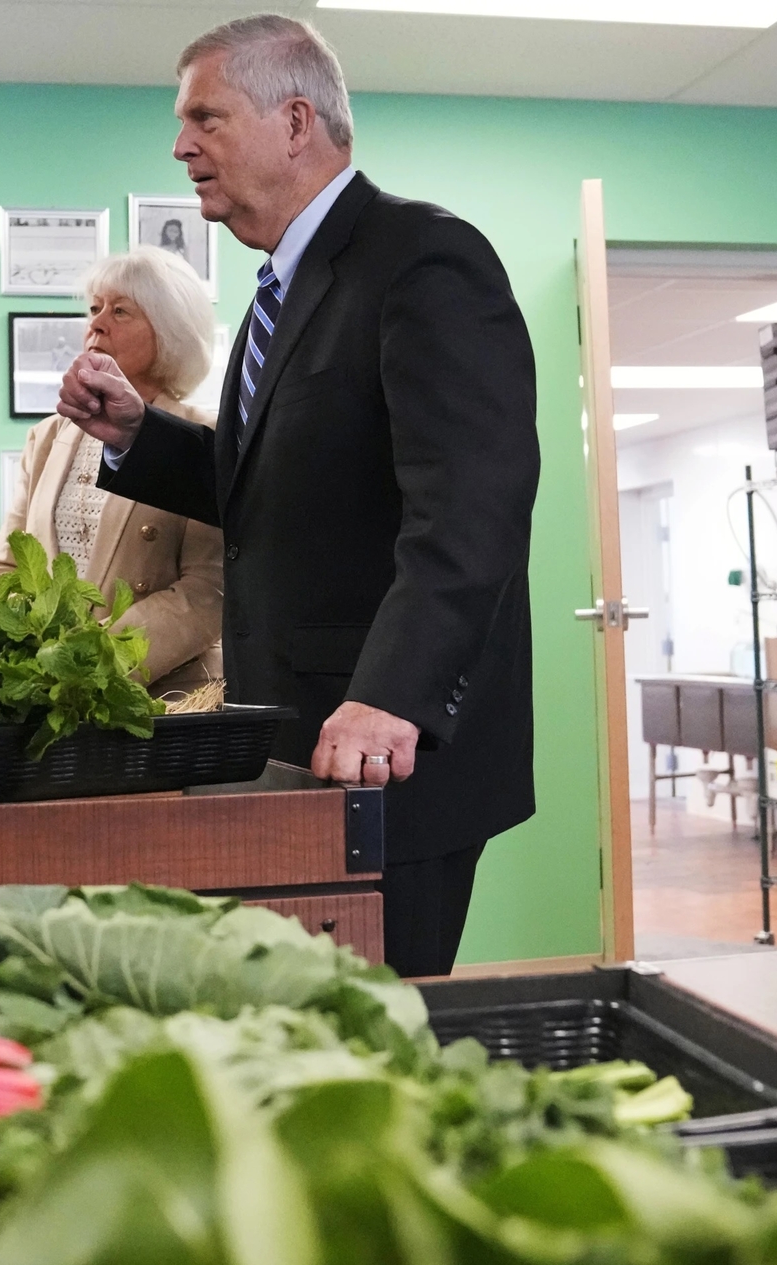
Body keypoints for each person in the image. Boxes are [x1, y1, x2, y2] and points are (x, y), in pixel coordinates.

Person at [60, 15, 539, 977]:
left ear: (293, 122)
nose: (180, 144)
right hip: (292, 737)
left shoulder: (423, 258)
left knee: (377, 1041)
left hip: (386, 750)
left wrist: (390, 697)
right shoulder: (281, 290)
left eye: (206, 116)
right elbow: (266, 494)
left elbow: (474, 504)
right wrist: (136, 439)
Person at [0, 248, 223, 697]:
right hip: (48, 690)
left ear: (170, 330)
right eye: (94, 308)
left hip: (160, 697)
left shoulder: (204, 437)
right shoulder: (47, 437)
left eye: (120, 311)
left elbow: (208, 590)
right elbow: (5, 567)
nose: (96, 323)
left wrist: (95, 662)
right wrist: (18, 656)